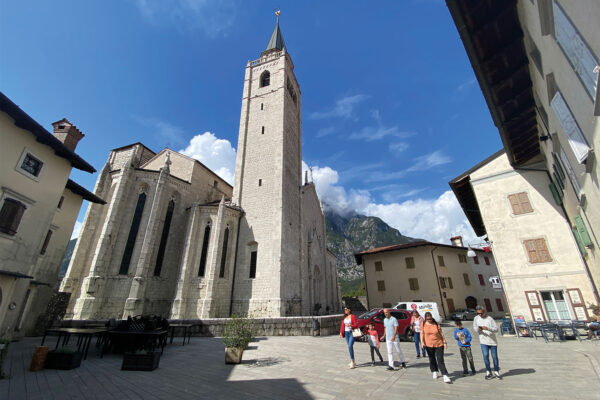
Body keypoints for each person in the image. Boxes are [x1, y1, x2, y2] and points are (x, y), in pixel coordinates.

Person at [420, 311, 451, 383]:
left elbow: (441, 333)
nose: (429, 320)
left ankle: (445, 375)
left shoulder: (436, 324)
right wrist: (422, 342)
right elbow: (421, 334)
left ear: (431, 317)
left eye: (430, 319)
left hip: (439, 343)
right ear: (425, 319)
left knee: (440, 359)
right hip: (428, 344)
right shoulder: (423, 324)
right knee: (432, 358)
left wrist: (444, 342)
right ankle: (434, 371)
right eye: (428, 319)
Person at [473, 305, 500, 380]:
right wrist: (478, 329)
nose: (480, 315)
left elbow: (496, 329)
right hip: (483, 341)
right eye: (478, 313)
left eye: (481, 313)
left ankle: (496, 371)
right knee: (485, 356)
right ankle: (488, 371)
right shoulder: (476, 318)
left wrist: (488, 328)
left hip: (492, 341)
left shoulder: (489, 319)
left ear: (484, 311)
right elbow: (474, 327)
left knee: (494, 357)